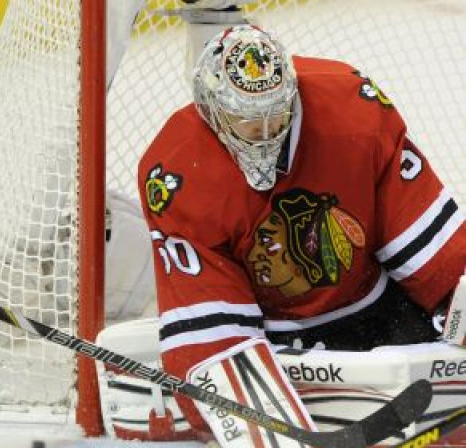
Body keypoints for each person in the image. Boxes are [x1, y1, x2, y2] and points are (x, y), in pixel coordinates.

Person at [134, 24, 466, 446]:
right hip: (277, 347)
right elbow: (215, 338)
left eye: (278, 113)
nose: (268, 132)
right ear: (212, 109)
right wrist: (263, 428)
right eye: (249, 121)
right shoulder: (176, 173)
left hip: (378, 313)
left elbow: (437, 253)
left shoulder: (352, 111)